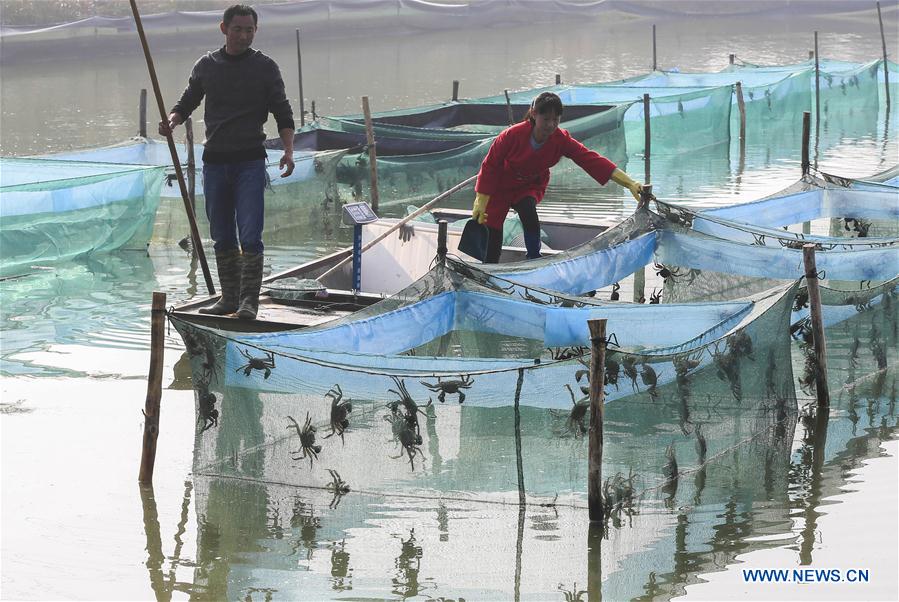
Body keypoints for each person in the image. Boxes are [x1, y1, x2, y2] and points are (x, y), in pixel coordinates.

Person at [159, 4, 295, 319]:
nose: (244, 35)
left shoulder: (265, 67)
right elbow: (186, 102)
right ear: (224, 29)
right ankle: (229, 299)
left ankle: (249, 302)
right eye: (238, 29)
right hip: (215, 162)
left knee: (250, 234)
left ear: (255, 31)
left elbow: (283, 111)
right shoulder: (207, 65)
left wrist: (288, 151)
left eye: (250, 30)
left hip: (249, 161)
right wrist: (171, 122)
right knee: (222, 233)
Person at [472, 91, 646, 263]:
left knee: (528, 212)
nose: (551, 125)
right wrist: (481, 200)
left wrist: (630, 183)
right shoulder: (511, 135)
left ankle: (534, 258)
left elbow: (591, 160)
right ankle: (489, 267)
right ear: (533, 114)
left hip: (530, 184)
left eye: (556, 119)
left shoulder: (560, 139)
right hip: (500, 185)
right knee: (493, 227)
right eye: (546, 119)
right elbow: (490, 165)